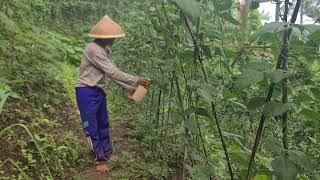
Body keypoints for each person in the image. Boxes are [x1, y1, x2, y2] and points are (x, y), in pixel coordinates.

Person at [75, 15, 150, 172]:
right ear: (104, 37)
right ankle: (99, 158)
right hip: (86, 91)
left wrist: (128, 89)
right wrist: (136, 80)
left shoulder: (106, 49)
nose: (114, 39)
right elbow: (114, 72)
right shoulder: (93, 49)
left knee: (103, 123)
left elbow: (111, 73)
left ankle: (107, 153)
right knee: (91, 125)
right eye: (112, 37)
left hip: (99, 90)